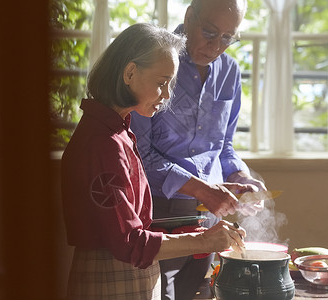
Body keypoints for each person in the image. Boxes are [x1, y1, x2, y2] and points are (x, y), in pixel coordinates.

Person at [61, 23, 248, 300]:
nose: (167, 95)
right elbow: (129, 242)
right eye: (162, 83)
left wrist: (198, 234)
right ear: (130, 73)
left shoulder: (119, 131)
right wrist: (205, 240)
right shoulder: (103, 143)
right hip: (111, 280)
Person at [130, 1, 268, 299]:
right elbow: (138, 154)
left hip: (210, 214)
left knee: (199, 293)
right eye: (209, 32)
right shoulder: (156, 61)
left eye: (228, 37)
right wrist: (201, 189)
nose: (216, 46)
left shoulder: (229, 71)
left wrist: (240, 175)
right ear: (189, 16)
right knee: (159, 294)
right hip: (160, 210)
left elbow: (224, 146)